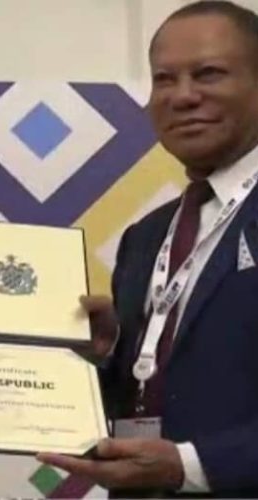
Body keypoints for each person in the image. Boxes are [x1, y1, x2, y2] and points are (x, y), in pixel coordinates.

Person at [38, 1, 258, 497]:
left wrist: (189, 466)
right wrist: (108, 354)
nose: (183, 96)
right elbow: (146, 390)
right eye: (164, 79)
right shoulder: (145, 237)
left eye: (209, 73)